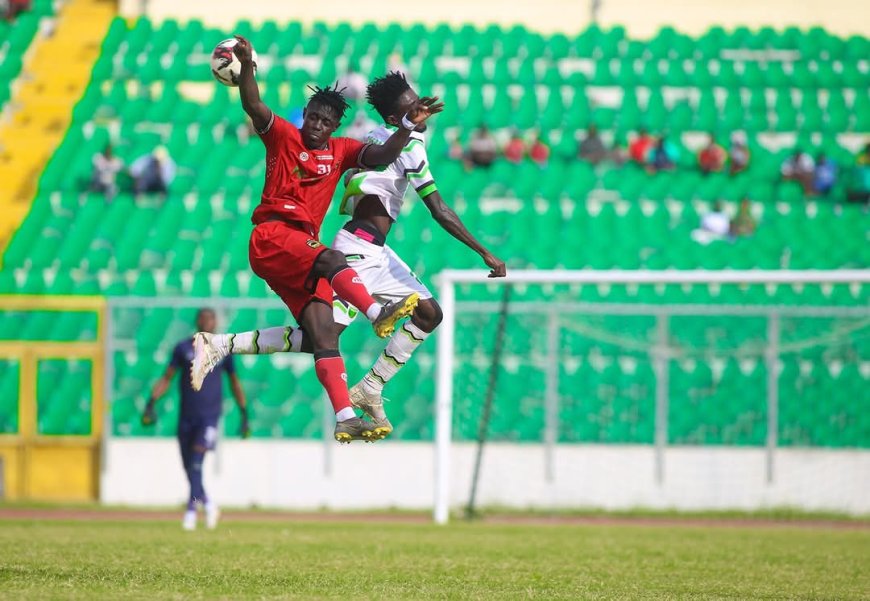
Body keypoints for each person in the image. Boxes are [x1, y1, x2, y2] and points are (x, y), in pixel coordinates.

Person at [191, 72, 507, 439]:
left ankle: (366, 387)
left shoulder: (370, 137)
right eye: (411, 106)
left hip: (372, 249)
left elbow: (374, 156)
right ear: (396, 117)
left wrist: (405, 127)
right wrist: (484, 252)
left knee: (414, 316)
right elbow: (438, 209)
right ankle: (375, 316)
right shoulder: (408, 147)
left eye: (418, 101)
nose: (420, 108)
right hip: (350, 247)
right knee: (323, 332)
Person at [140, 308, 249, 531]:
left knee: (197, 462)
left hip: (209, 417)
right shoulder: (183, 348)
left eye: (212, 318)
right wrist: (151, 403)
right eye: (204, 318)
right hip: (186, 416)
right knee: (189, 467)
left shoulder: (223, 350)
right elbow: (167, 378)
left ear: (216, 322)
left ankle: (191, 510)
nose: (208, 322)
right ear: (197, 321)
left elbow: (234, 382)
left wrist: (244, 413)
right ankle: (207, 503)